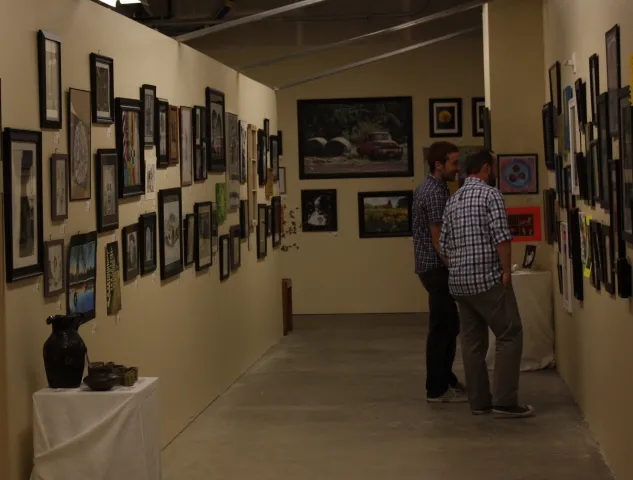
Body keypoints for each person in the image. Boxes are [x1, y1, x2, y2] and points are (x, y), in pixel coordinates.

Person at [439, 149, 534, 418]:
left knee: (472, 344)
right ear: (485, 168)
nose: (494, 171)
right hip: (487, 280)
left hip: (459, 285)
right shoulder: (491, 195)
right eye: (492, 167)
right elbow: (501, 238)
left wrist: (459, 268)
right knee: (510, 333)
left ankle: (479, 403)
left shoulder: (454, 200)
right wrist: (506, 270)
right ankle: (504, 401)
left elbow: (443, 245)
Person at [413, 141, 467, 403]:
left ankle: (445, 378)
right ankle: (436, 388)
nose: (458, 168)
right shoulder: (434, 192)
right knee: (442, 327)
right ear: (439, 164)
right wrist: (453, 266)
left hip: (433, 266)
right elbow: (438, 238)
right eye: (454, 163)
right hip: (435, 267)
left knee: (449, 325)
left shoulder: (436, 187)